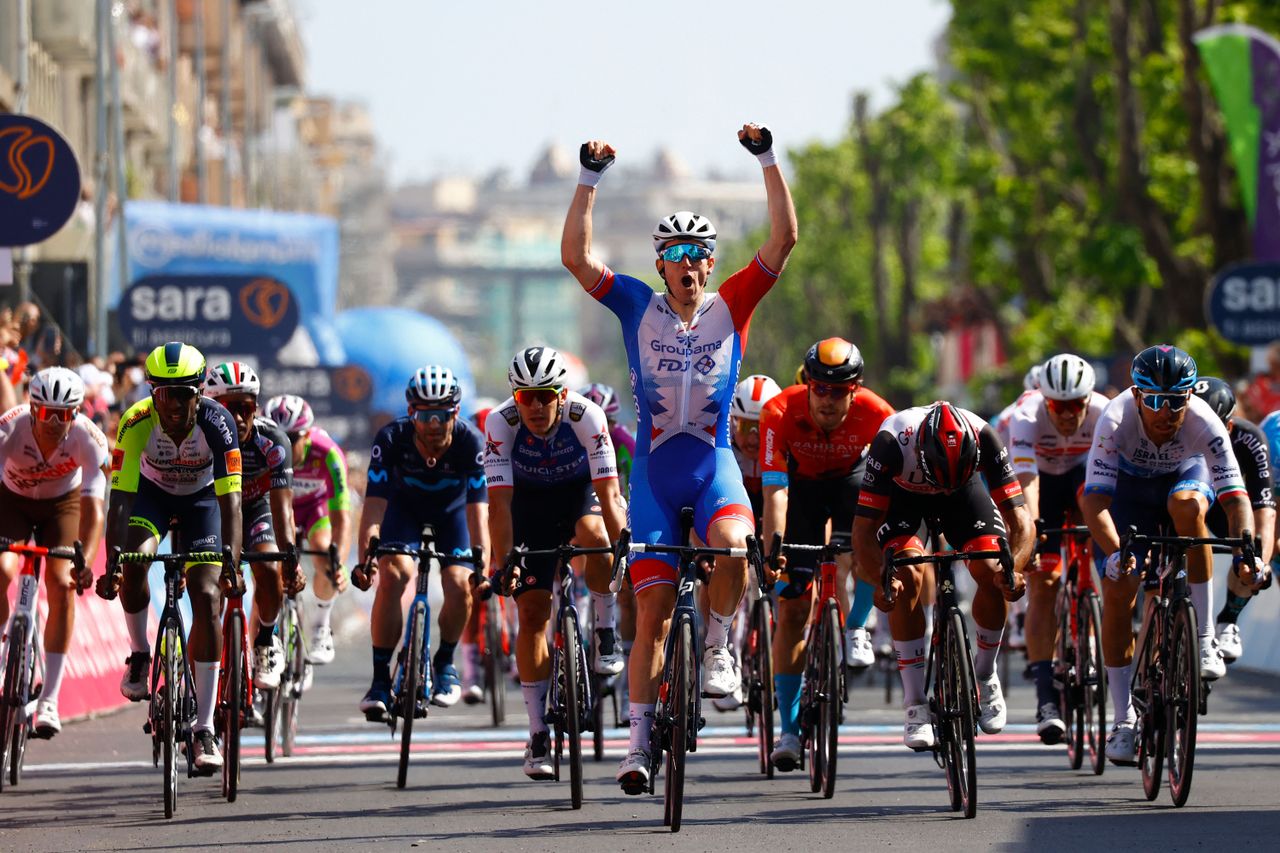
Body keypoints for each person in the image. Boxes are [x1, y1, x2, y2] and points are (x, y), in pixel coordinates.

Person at [562, 122, 797, 793]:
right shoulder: (636, 304)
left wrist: (766, 158)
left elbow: (784, 239)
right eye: (677, 254)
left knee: (731, 546)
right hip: (658, 478)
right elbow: (576, 260)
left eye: (700, 254)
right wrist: (588, 181)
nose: (690, 265)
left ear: (710, 265)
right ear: (660, 262)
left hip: (714, 460)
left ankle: (722, 641)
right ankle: (638, 744)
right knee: (654, 616)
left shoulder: (734, 304)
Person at [1081, 346, 1258, 766]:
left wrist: (1247, 546)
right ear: (1138, 396)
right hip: (1128, 494)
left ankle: (1202, 640)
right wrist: (1118, 552)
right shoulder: (1116, 418)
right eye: (1156, 401)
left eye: (1176, 401)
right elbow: (1094, 504)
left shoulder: (1203, 422)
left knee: (1191, 508)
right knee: (1120, 587)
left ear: (1189, 398)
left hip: (1182, 478)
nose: (1166, 412)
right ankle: (1123, 719)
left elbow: (1236, 500)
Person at [96, 342, 243, 772]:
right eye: (164, 395)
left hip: (203, 505)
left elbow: (231, 503)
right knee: (136, 560)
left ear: (200, 394)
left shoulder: (221, 424)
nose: (174, 405)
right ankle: (140, 653)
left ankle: (203, 728)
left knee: (206, 594)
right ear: (153, 394)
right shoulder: (135, 421)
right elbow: (119, 501)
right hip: (151, 499)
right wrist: (113, 563)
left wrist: (230, 563)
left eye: (184, 395)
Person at [481, 347, 626, 779]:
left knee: (597, 537)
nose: (537, 406)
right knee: (531, 613)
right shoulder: (499, 424)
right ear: (516, 397)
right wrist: (502, 563)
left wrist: (621, 549)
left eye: (546, 396)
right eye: (528, 397)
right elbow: (498, 506)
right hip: (528, 506)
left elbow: (610, 495)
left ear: (563, 394)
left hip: (580, 494)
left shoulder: (588, 416)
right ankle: (537, 732)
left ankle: (605, 629)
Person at [854, 402, 1032, 749]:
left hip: (966, 497)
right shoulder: (891, 441)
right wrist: (880, 580)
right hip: (905, 499)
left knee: (992, 568)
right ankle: (915, 704)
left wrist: (1015, 570)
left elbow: (1021, 520)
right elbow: (862, 530)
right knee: (906, 576)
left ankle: (985, 672)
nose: (943, 488)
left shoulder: (985, 437)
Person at [759, 338, 893, 770]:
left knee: (874, 542)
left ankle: (857, 627)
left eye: (840, 391)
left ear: (855, 389)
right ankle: (790, 731)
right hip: (801, 493)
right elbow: (775, 491)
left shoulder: (879, 415)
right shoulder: (779, 411)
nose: (828, 399)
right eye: (821, 388)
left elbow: (893, 492)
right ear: (808, 383)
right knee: (793, 606)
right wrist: (773, 551)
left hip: (853, 482)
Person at [350, 367, 490, 718]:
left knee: (460, 584)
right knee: (394, 574)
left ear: (455, 413)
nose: (433, 424)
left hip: (453, 514)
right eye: (424, 415)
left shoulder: (470, 442)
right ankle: (380, 677)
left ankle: (445, 662)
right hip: (403, 510)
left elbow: (478, 511)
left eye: (442, 414)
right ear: (411, 412)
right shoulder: (391, 438)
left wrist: (482, 562)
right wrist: (365, 557)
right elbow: (374, 508)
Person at [0, 368, 108, 736]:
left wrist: (86, 561)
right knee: (3, 569)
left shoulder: (88, 438)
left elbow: (94, 508)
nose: (55, 422)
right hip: (11, 501)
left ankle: (49, 698)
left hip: (63, 505)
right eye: (47, 413)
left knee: (62, 584)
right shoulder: (9, 429)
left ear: (76, 413)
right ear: (32, 409)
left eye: (64, 414)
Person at [1007, 353, 1108, 745]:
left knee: (1101, 526)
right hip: (1042, 487)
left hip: (1086, 477)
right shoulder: (1027, 416)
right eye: (1058, 407)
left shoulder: (1104, 412)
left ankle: (1096, 615)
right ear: (1044, 400)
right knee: (1045, 581)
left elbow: (1109, 481)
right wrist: (1034, 533)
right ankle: (1046, 694)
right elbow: (1026, 481)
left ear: (1089, 398)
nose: (1067, 415)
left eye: (1075, 406)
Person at [204, 364, 304, 692]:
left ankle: (265, 640)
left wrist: (289, 560)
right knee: (210, 591)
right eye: (230, 410)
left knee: (269, 566)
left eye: (246, 408)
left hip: (256, 509)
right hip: (214, 511)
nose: (240, 419)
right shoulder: (200, 439)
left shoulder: (273, 440)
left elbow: (283, 510)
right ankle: (203, 670)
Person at [1190, 378, 1275, 664]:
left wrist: (1258, 564)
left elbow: (1265, 507)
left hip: (1228, 504)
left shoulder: (1249, 437)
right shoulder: (1175, 431)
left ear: (1229, 425)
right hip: (1191, 499)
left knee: (1255, 544)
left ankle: (1229, 619)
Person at [265, 394, 352, 666]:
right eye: (279, 438)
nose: (285, 447)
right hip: (281, 506)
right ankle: (267, 640)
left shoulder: (328, 453)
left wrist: (338, 563)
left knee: (325, 552)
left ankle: (321, 628)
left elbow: (342, 517)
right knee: (268, 567)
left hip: (315, 508)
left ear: (308, 434)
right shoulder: (263, 449)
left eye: (292, 440)